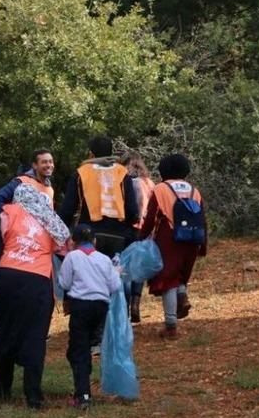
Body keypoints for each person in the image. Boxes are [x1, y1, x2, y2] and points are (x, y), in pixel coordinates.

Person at [0, 184, 70, 409]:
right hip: (37, 280)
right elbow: (66, 253)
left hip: (8, 278)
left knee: (7, 329)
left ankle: (1, 388)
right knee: (35, 336)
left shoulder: (8, 213)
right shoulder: (51, 221)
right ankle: (33, 396)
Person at [138, 154, 208, 339]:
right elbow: (203, 220)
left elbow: (151, 218)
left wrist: (139, 238)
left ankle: (171, 327)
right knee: (180, 276)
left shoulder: (161, 188)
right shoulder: (195, 190)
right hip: (193, 240)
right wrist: (203, 246)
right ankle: (182, 295)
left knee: (168, 280)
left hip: (169, 239)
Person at [59, 224, 121, 409]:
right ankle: (87, 378)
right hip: (100, 308)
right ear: (94, 241)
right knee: (85, 348)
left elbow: (65, 282)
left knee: (78, 351)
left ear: (73, 241)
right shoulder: (104, 259)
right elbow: (115, 286)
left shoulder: (72, 257)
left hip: (80, 307)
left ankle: (83, 395)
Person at [58, 136, 139, 258]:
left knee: (88, 275)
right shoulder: (122, 173)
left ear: (91, 154)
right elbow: (132, 210)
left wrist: (61, 233)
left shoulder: (81, 173)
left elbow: (68, 209)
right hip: (118, 236)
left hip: (88, 236)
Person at [121, 152, 156, 323]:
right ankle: (136, 303)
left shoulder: (127, 183)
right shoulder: (150, 183)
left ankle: (126, 309)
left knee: (126, 269)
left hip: (129, 229)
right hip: (146, 231)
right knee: (139, 269)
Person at [0, 149, 56, 213]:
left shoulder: (50, 189)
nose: (48, 165)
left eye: (51, 162)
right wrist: (11, 216)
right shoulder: (22, 181)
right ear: (35, 165)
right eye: (44, 162)